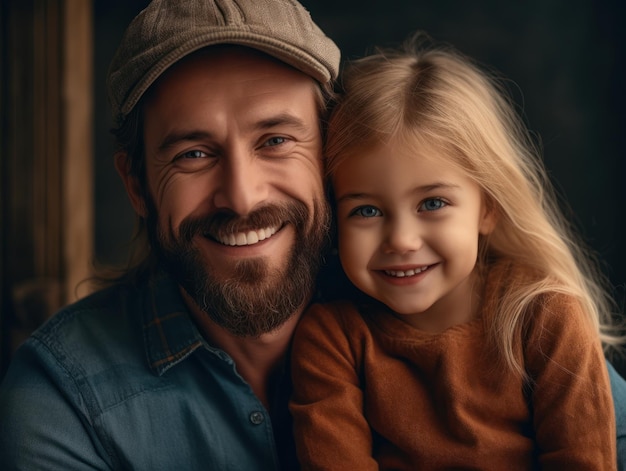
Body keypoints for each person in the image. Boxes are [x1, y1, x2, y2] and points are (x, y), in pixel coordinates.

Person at [0, 0, 339, 469]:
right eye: (194, 154)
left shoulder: (439, 324)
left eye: (276, 141)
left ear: (332, 152)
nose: (241, 198)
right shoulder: (64, 401)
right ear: (136, 186)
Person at [290, 33, 626, 470]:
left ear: (488, 208)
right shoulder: (331, 340)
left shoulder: (545, 315)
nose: (402, 240)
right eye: (367, 210)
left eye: (433, 204)